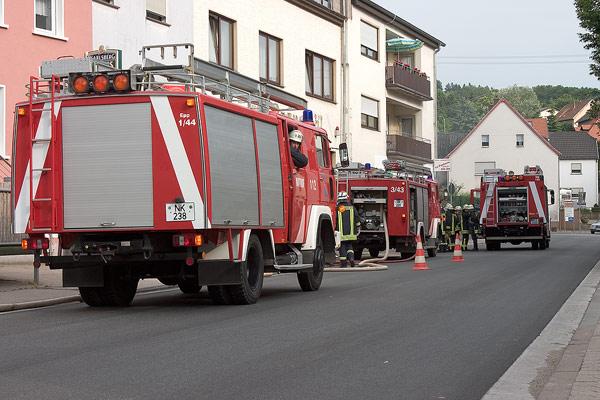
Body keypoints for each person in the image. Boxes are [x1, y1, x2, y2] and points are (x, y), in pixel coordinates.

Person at [336, 191, 359, 268]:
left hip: (341, 233)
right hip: (351, 233)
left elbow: (335, 219)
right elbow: (356, 217)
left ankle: (344, 263)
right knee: (349, 246)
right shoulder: (352, 207)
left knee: (342, 246)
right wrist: (358, 226)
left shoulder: (338, 208)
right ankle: (351, 258)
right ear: (346, 198)